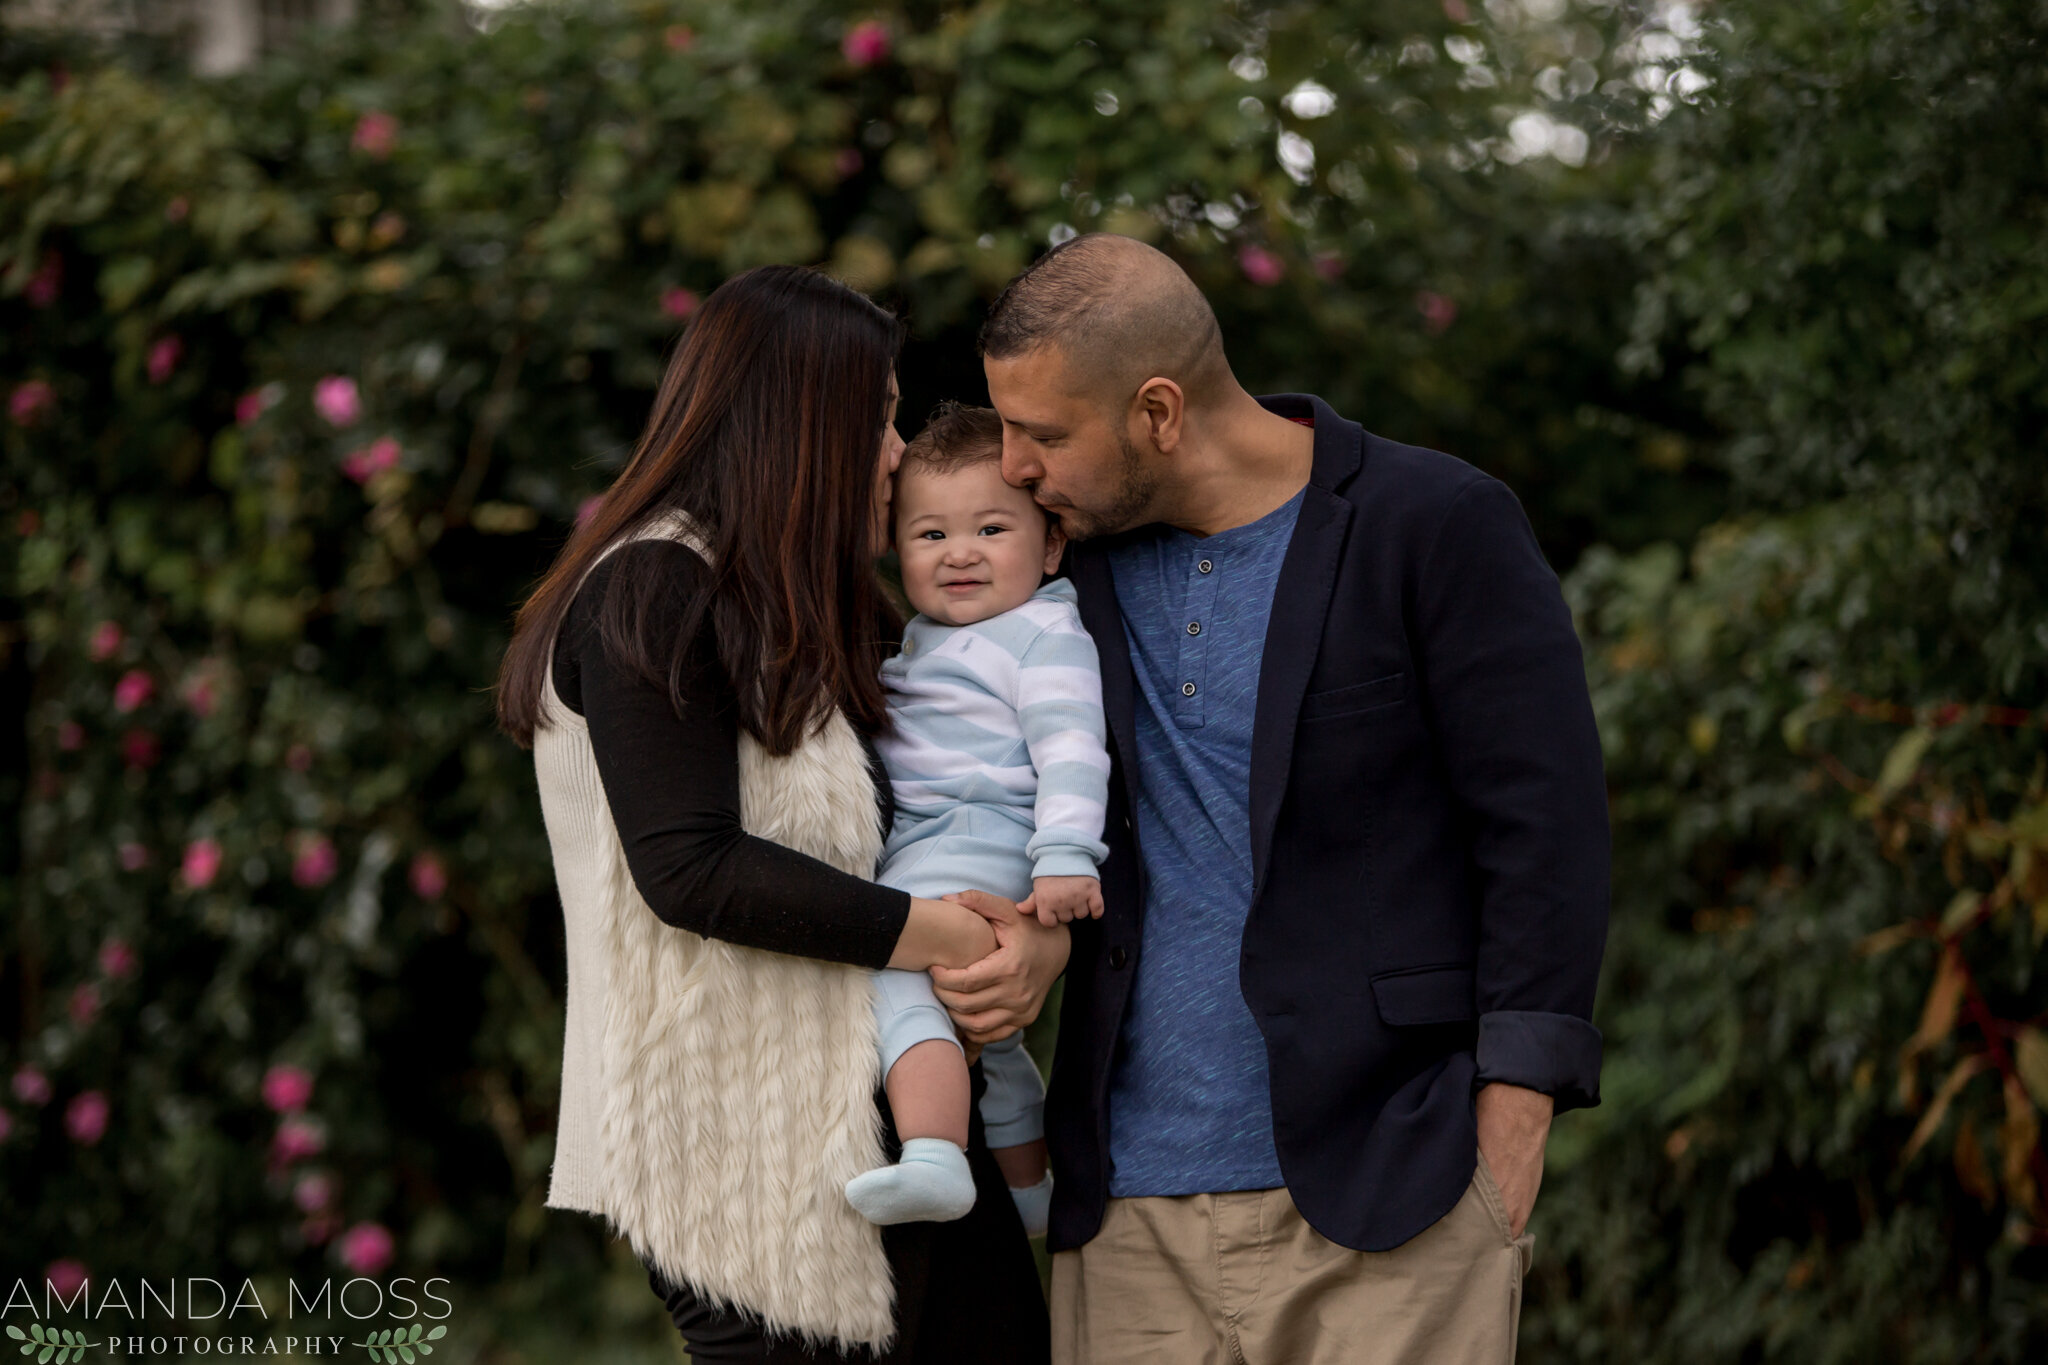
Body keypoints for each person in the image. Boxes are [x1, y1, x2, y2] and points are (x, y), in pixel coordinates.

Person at [940, 233, 1611, 1364]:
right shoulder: (1066, 572)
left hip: (1393, 1188)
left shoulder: (1431, 521)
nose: (1010, 466)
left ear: (1156, 411)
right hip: (1123, 1212)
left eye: (1042, 434)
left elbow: (1543, 827)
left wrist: (1514, 1112)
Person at [494, 265, 1057, 1363]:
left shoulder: (805, 606)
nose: (897, 451)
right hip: (745, 1166)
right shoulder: (648, 587)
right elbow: (690, 867)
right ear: (808, 418)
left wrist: (1026, 942)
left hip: (897, 1115)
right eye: (883, 415)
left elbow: (945, 814)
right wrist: (955, 937)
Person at [845, 403, 1109, 1238]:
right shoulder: (928, 637)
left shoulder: (1043, 635)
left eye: (991, 528)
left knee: (893, 970)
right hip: (944, 841)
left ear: (1052, 544)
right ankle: (1029, 1188)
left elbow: (1072, 745)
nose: (959, 553)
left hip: (979, 838)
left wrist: (1068, 853)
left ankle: (933, 1154)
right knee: (990, 1029)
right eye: (929, 536)